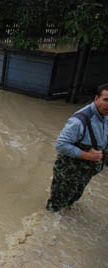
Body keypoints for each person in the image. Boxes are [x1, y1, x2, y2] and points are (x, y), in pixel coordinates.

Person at [46, 83, 108, 212]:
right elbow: (61, 145)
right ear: (96, 98)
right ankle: (48, 228)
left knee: (74, 198)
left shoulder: (105, 116)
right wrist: (90, 156)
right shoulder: (80, 121)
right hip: (69, 172)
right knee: (56, 205)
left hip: (85, 172)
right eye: (106, 100)